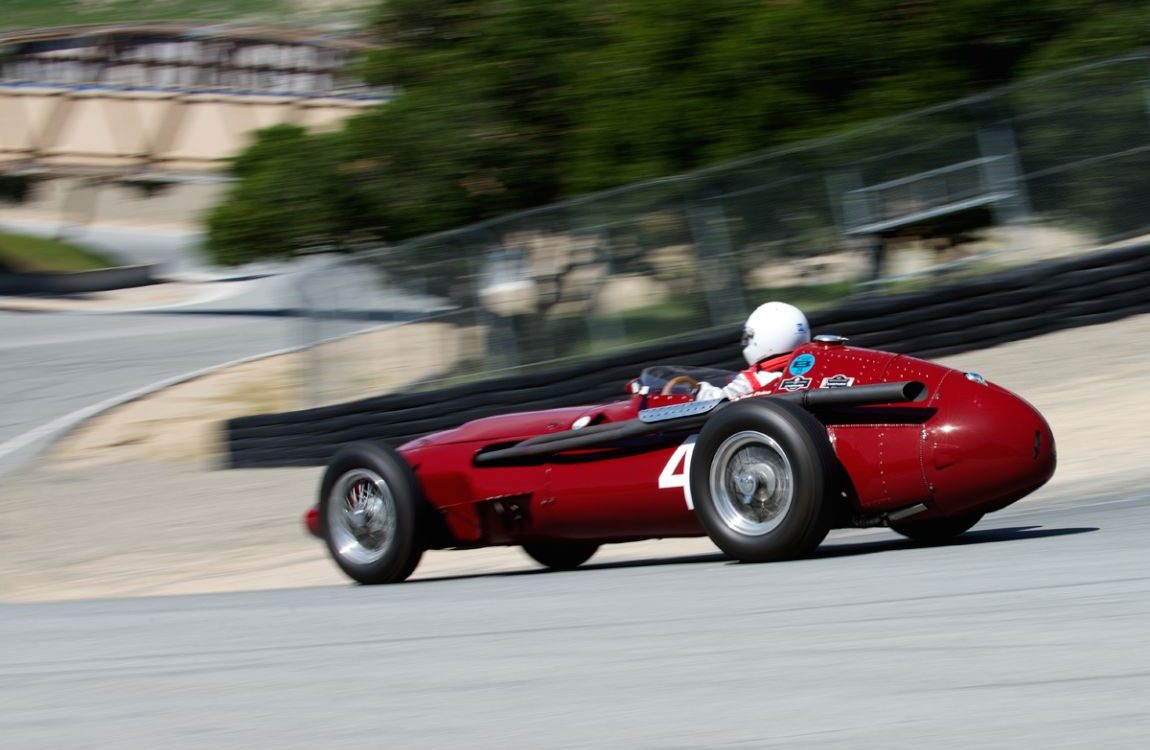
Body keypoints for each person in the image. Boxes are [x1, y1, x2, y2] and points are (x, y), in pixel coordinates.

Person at [695, 301, 811, 401]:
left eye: (749, 337)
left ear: (766, 337)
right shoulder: (818, 367)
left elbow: (714, 402)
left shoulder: (754, 381)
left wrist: (700, 390)